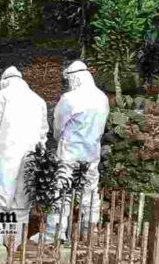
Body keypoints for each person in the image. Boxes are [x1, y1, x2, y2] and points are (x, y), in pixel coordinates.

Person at [30, 60, 109, 244]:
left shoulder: (70, 99)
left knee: (61, 193)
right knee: (89, 193)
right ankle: (89, 232)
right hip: (91, 153)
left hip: (69, 153)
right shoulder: (102, 98)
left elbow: (58, 126)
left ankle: (54, 234)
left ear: (74, 79)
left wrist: (59, 139)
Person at [0, 66, 49, 251]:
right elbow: (43, 135)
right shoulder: (39, 100)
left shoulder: (2, 96)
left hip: (5, 157)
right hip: (30, 158)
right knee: (22, 203)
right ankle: (16, 243)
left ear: (4, 81)